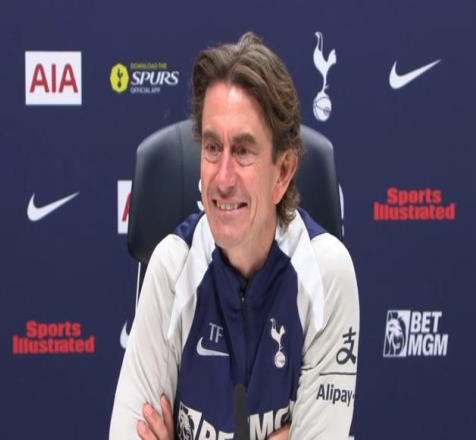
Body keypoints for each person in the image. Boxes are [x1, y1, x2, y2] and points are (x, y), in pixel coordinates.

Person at [109, 32, 359, 440]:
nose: (223, 179)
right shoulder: (172, 268)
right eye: (212, 148)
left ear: (283, 172)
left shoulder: (327, 273)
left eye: (243, 151)